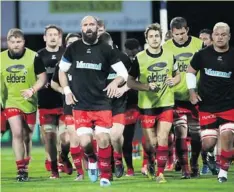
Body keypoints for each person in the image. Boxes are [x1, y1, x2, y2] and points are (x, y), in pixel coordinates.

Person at [59, 15, 128, 187]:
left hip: (101, 103)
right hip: (80, 104)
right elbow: (61, 71)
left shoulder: (107, 49)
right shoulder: (73, 48)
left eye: (92, 24)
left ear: (97, 28)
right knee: (86, 143)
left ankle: (106, 175)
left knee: (103, 138)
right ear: (81, 28)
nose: (89, 28)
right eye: (85, 25)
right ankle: (91, 158)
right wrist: (67, 91)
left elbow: (124, 74)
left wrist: (114, 82)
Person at [127, 23, 180, 183]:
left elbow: (177, 75)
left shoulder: (170, 55)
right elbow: (130, 82)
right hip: (147, 106)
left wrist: (174, 81)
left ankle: (160, 173)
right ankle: (149, 161)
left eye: (157, 36)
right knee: (151, 143)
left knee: (163, 138)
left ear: (161, 37)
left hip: (166, 103)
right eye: (151, 36)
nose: (154, 39)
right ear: (147, 39)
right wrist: (145, 86)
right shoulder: (140, 58)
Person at [186, 22, 234, 183]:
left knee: (227, 136)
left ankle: (223, 172)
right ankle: (210, 154)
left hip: (229, 105)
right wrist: (192, 92)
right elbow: (190, 72)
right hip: (207, 105)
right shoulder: (202, 54)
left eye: (223, 34)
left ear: (229, 36)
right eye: (217, 34)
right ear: (212, 36)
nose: (219, 37)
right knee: (207, 143)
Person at [0, 28, 47, 181]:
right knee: (17, 133)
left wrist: (32, 90)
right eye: (12, 42)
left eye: (18, 42)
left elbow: (42, 78)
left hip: (30, 102)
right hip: (10, 102)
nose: (15, 45)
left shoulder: (34, 57)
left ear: (23, 42)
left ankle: (26, 161)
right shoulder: (1, 58)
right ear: (8, 43)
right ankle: (21, 170)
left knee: (27, 137)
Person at [163, 17, 203, 178]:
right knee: (180, 132)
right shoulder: (166, 48)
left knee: (196, 133)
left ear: (187, 30)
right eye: (176, 34)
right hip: (175, 98)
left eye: (182, 33)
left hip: (195, 97)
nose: (180, 36)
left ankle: (194, 163)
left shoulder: (199, 44)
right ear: (171, 33)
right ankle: (186, 168)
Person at [51, 32, 84, 181]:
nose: (73, 45)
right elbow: (53, 82)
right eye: (70, 42)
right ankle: (76, 169)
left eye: (75, 42)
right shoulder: (63, 63)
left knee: (87, 140)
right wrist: (65, 92)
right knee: (70, 140)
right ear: (66, 45)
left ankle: (89, 169)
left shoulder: (89, 60)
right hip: (70, 107)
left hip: (89, 106)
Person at [37, 24, 68, 178]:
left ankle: (63, 158)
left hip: (64, 103)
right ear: (44, 38)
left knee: (65, 139)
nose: (53, 37)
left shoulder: (66, 54)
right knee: (49, 137)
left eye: (55, 34)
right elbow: (34, 78)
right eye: (50, 34)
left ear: (60, 37)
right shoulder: (38, 56)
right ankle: (55, 169)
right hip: (45, 103)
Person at [123, 38, 141, 176]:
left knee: (128, 137)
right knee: (128, 137)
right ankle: (130, 166)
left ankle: (130, 167)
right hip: (131, 103)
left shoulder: (140, 60)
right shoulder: (123, 61)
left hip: (134, 103)